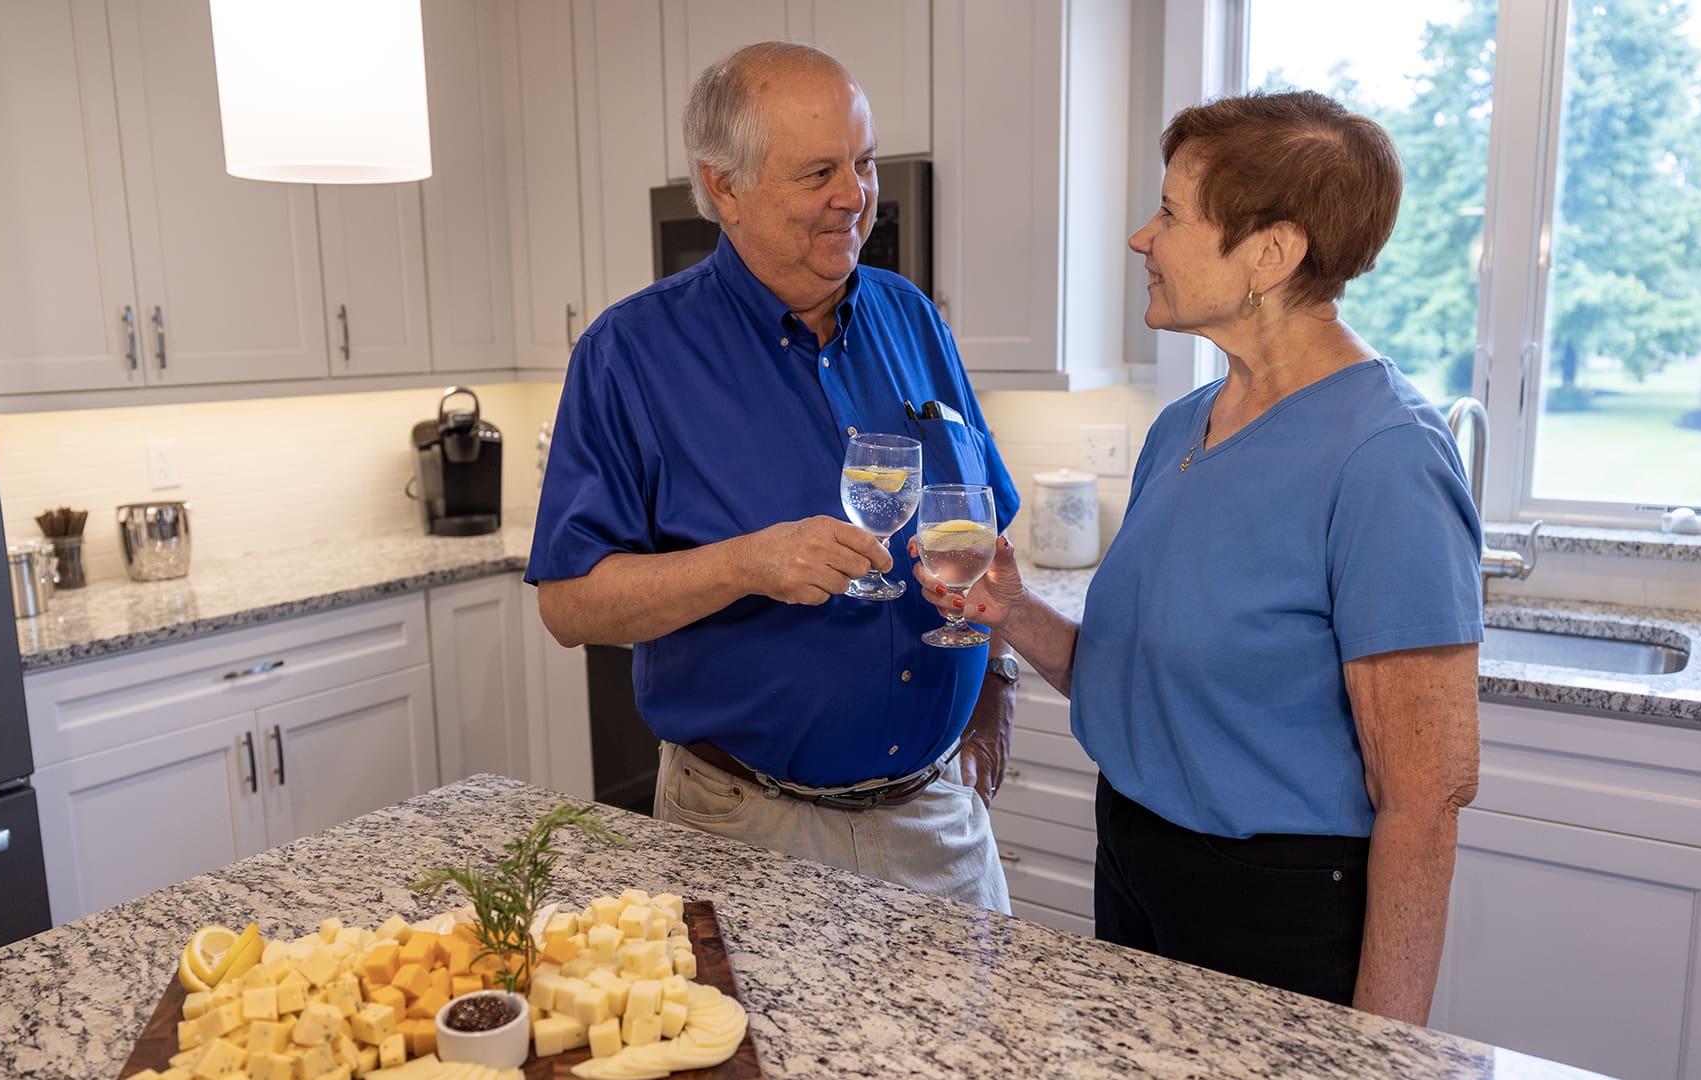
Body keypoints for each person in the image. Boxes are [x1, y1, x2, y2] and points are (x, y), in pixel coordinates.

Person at [912, 90, 1482, 1024]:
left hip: (1275, 908)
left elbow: (1427, 795)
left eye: (1173, 214)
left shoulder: (1386, 455)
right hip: (1136, 857)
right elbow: (1139, 679)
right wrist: (1014, 612)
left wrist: (1383, 1050)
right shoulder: (1185, 424)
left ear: (1272, 252)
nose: (1143, 237)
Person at [525, 41, 1020, 911]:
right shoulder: (629, 354)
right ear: (725, 187)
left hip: (941, 822)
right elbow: (569, 605)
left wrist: (996, 701)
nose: (854, 195)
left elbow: (986, 536)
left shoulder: (912, 318)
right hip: (743, 835)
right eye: (817, 171)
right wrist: (745, 565)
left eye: (862, 162)